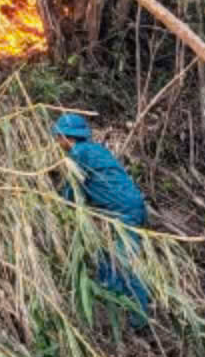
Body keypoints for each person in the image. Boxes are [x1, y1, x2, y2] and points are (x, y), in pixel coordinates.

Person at [53, 113, 152, 324]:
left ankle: (140, 319)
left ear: (67, 137)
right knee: (106, 259)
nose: (57, 142)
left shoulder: (79, 154)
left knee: (123, 263)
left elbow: (73, 190)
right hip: (126, 208)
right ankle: (114, 309)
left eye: (58, 137)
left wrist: (58, 206)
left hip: (125, 212)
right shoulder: (94, 150)